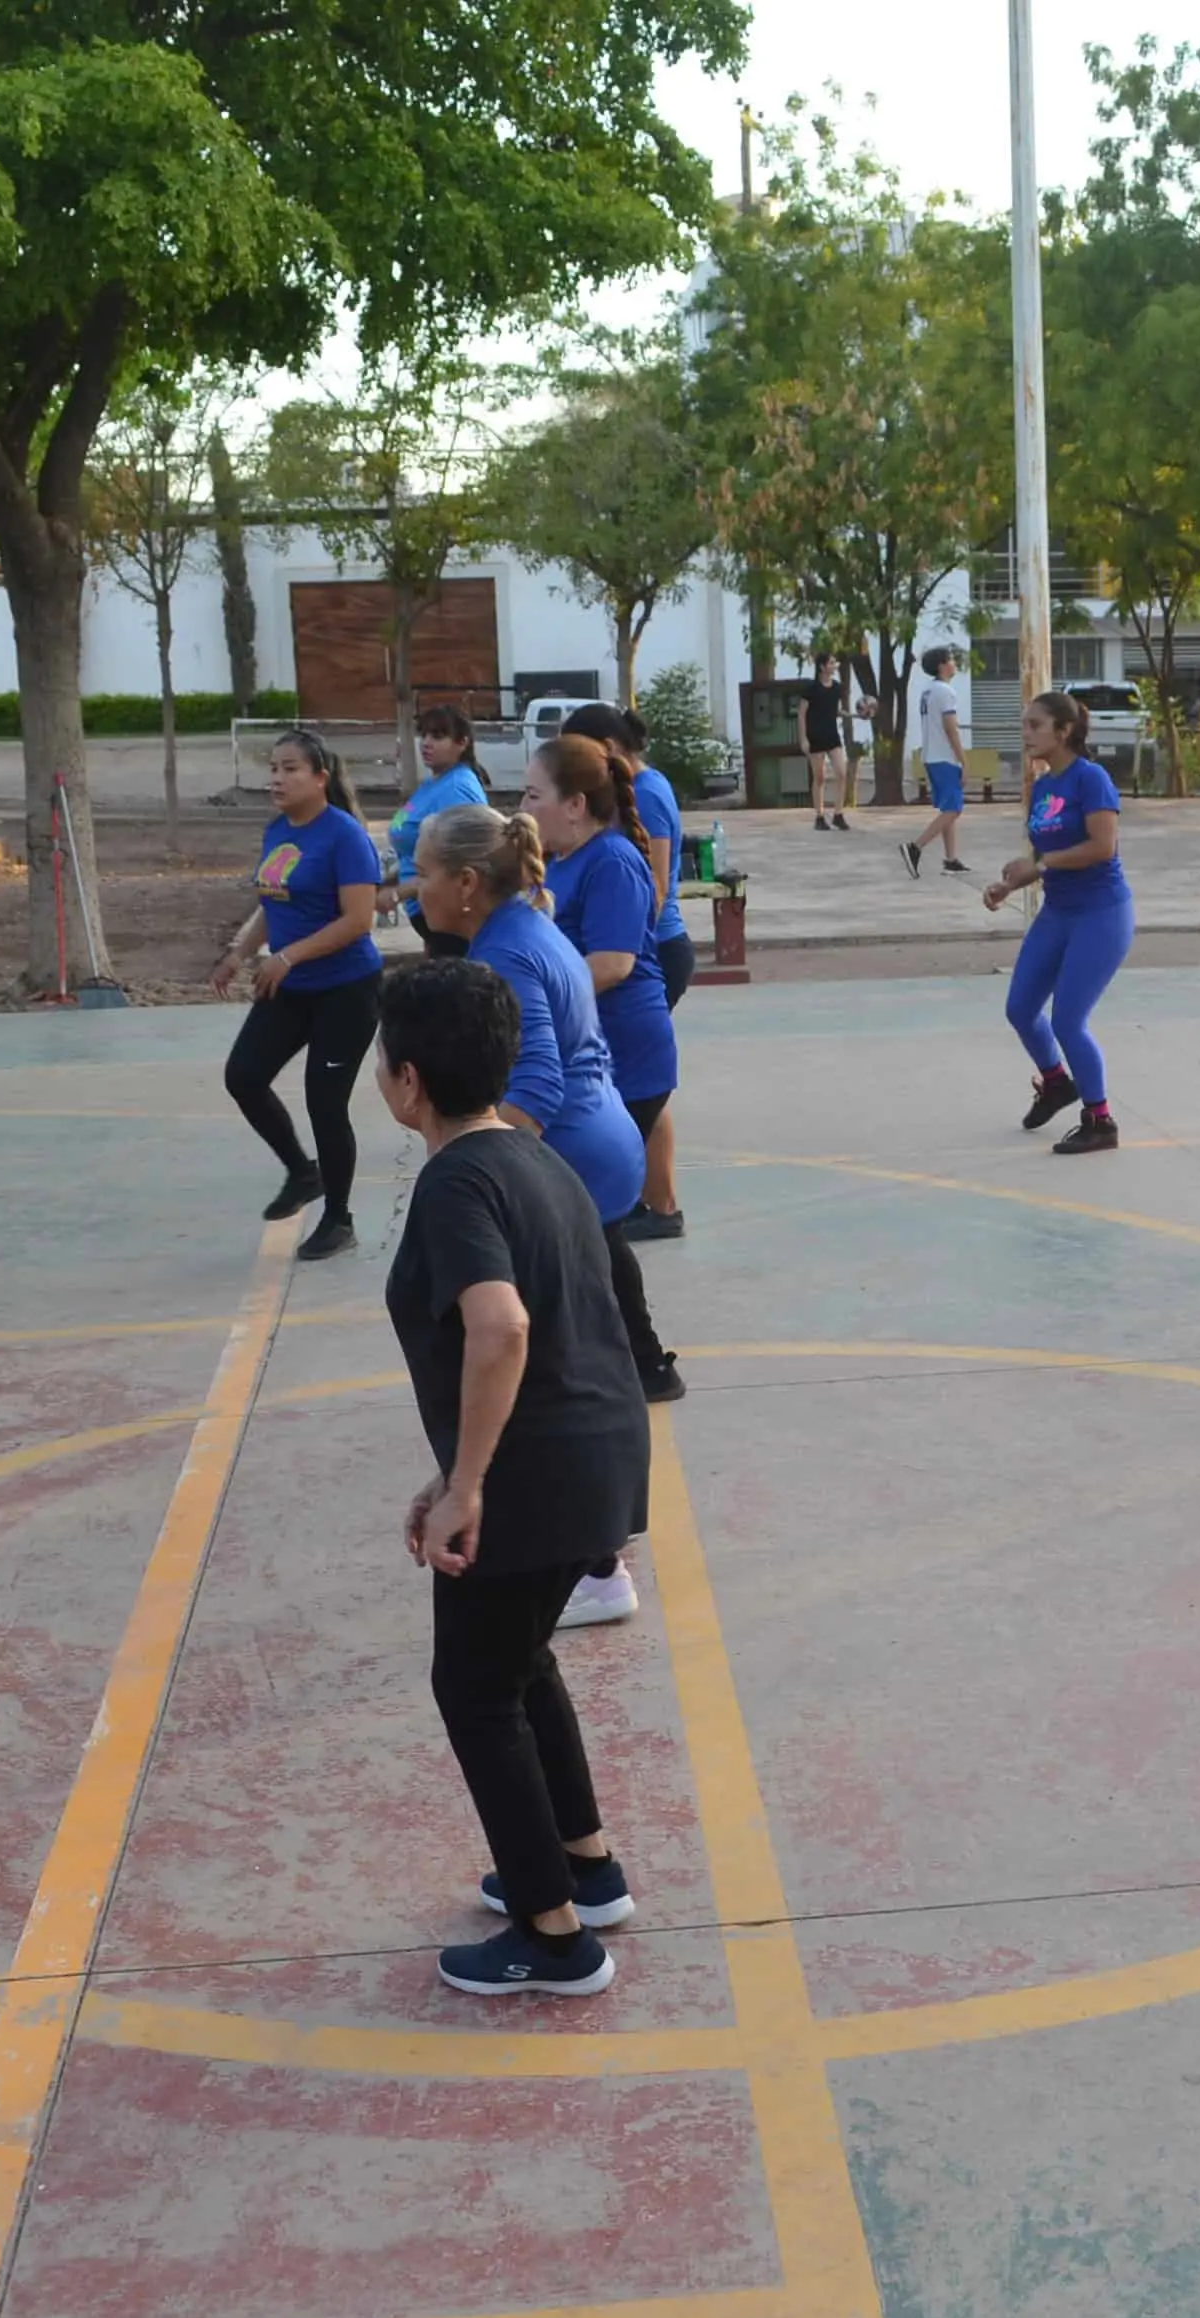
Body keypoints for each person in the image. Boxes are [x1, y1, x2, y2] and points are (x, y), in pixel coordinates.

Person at [376, 958, 651, 1997]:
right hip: (593, 1457)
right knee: (523, 1661)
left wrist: (468, 1486)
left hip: (535, 1478)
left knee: (475, 1686)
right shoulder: (535, 1159)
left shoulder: (457, 1181)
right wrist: (455, 1469)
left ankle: (553, 1938)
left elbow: (501, 1327)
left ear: (407, 1082)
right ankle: (584, 1865)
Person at [411, 792, 684, 1412]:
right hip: (599, 1138)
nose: (412, 887)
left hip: (575, 1150)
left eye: (423, 873)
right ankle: (644, 1370)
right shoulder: (527, 924)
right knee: (603, 1272)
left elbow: (536, 1087)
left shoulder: (505, 952)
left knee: (529, 1314)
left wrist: (469, 1169)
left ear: (466, 884)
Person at [212, 728, 386, 1259]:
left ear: (320, 778)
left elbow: (359, 920)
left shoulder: (345, 837)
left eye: (290, 769)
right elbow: (274, 902)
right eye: (274, 768)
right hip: (290, 986)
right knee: (242, 1076)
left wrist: (288, 957)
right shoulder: (278, 832)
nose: (277, 778)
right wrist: (242, 950)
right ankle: (301, 1172)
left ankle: (339, 1219)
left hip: (347, 990)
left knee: (325, 1103)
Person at [561, 702, 692, 1239]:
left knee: (637, 1086)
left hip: (656, 948)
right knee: (642, 1091)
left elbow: (654, 887)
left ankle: (654, 1205)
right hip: (643, 950)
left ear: (608, 750)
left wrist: (623, 939)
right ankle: (657, 1203)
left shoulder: (650, 793)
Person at [992, 692, 1132, 1156]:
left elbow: (1102, 847)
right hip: (1059, 911)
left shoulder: (1090, 779)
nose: (1026, 734)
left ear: (1064, 731)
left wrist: (1042, 866)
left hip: (1100, 912)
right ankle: (1056, 1083)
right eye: (1024, 724)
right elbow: (1043, 849)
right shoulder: (1044, 785)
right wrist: (1013, 881)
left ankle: (1101, 1119)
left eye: (1035, 725)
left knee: (1069, 1020)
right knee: (1021, 1008)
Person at [393, 705, 491, 953]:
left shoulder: (457, 788)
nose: (426, 743)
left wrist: (399, 893)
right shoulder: (431, 783)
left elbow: (462, 863)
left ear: (462, 743)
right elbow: (411, 845)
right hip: (428, 915)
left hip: (449, 917)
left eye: (437, 736)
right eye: (423, 735)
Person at [905, 646, 972, 876]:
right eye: (951, 659)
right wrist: (964, 760)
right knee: (954, 809)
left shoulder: (928, 690)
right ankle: (915, 847)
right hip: (944, 757)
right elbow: (950, 728)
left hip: (931, 755)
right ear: (942, 665)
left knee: (947, 808)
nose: (954, 663)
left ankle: (951, 859)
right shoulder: (945, 692)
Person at [801, 652, 852, 829]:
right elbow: (801, 714)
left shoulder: (836, 687)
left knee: (842, 772)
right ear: (822, 667)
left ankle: (838, 813)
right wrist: (803, 739)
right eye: (831, 663)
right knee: (820, 777)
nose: (835, 665)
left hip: (832, 735)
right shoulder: (811, 688)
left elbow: (836, 711)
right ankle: (819, 816)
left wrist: (854, 715)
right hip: (815, 736)